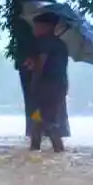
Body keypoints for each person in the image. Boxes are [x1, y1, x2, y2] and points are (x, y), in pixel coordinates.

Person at [25, 12, 69, 152]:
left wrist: (32, 66)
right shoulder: (59, 43)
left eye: (37, 26)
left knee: (47, 121)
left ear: (47, 27)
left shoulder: (45, 42)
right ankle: (34, 151)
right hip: (57, 87)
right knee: (37, 120)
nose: (34, 29)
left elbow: (40, 66)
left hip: (49, 88)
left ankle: (59, 150)